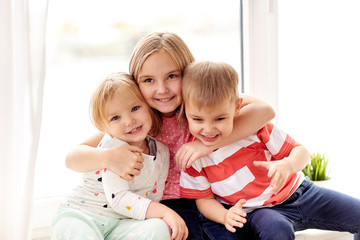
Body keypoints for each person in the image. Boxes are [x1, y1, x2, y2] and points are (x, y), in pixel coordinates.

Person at [65, 32, 275, 239]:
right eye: (148, 80)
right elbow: (73, 157)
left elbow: (264, 111)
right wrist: (107, 157)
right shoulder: (138, 119)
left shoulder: (203, 104)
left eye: (172, 76)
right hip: (165, 205)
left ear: (189, 74)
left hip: (211, 198)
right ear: (136, 84)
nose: (162, 89)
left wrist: (207, 146)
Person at [179, 60, 360, 240]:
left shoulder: (255, 129)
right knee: (277, 230)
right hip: (261, 211)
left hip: (302, 193)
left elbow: (301, 151)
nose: (209, 129)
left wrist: (288, 165)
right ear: (185, 112)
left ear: (236, 108)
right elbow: (204, 201)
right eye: (197, 119)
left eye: (219, 119)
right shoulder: (192, 156)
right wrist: (224, 216)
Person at [51, 72, 188, 240]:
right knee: (75, 230)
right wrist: (166, 212)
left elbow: (153, 196)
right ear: (105, 126)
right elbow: (119, 198)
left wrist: (161, 216)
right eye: (115, 117)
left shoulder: (162, 152)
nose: (129, 121)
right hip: (84, 216)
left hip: (122, 224)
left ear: (148, 107)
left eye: (135, 108)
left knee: (159, 227)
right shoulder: (113, 145)